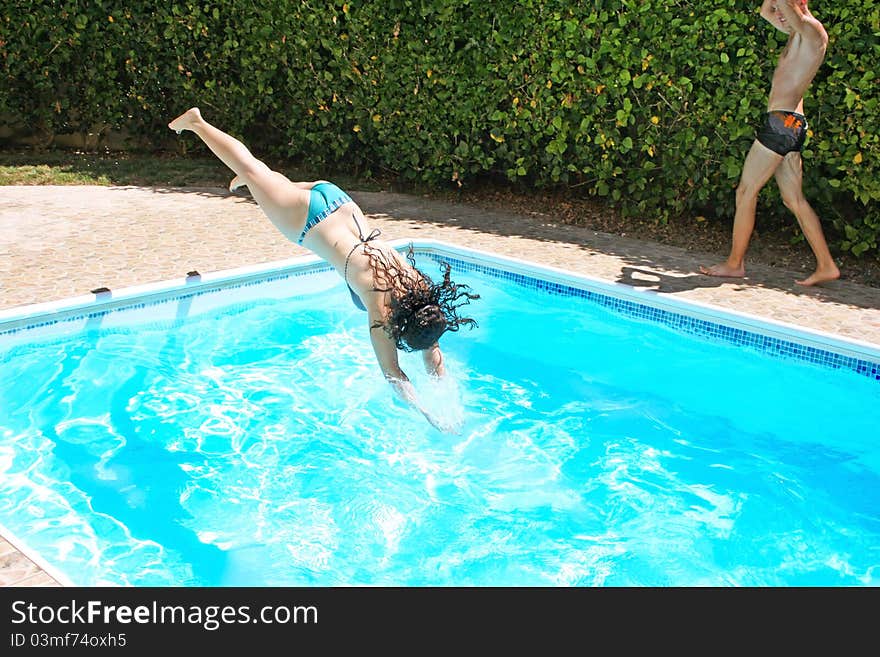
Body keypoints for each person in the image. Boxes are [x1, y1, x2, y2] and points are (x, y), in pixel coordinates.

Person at [168, 107, 479, 433]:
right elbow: (393, 373)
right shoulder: (381, 308)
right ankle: (197, 123)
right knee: (251, 166)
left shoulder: (420, 292)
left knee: (268, 179)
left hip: (337, 201)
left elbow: (432, 348)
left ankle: (258, 182)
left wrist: (451, 401)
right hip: (306, 223)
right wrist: (429, 416)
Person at [700, 0, 839, 287]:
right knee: (794, 200)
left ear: (799, 3)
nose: (779, 17)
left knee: (746, 191)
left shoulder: (812, 31)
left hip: (783, 124)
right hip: (788, 125)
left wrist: (785, 7)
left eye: (784, 9)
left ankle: (734, 264)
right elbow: (765, 12)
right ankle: (826, 265)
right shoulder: (796, 34)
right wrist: (775, 7)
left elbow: (791, 16)